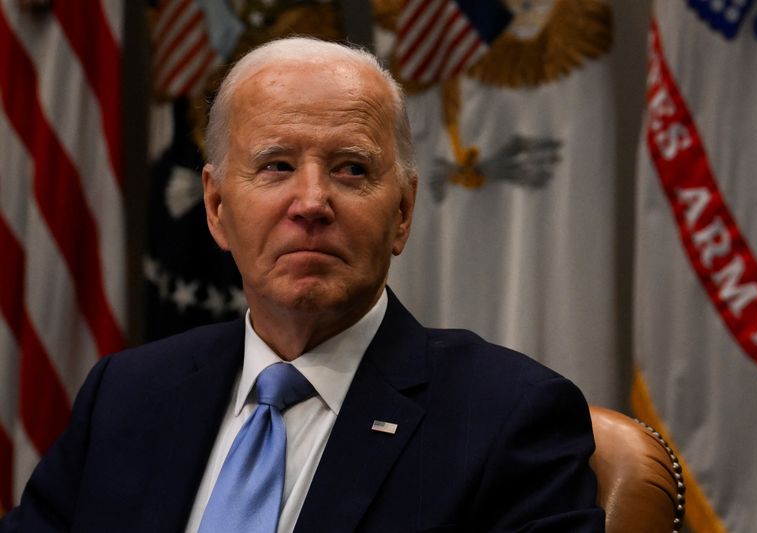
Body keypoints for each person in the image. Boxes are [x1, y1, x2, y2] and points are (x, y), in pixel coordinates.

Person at [1, 37, 604, 532]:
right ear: (215, 208)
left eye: (351, 168)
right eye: (276, 166)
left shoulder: (508, 416)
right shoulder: (127, 395)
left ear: (402, 213)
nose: (312, 202)